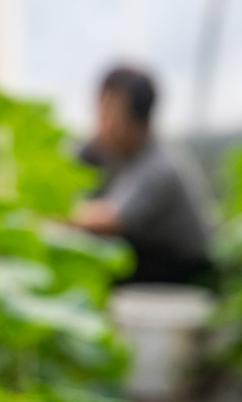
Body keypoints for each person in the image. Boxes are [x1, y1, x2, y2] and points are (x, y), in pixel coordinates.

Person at [72, 65, 214, 287]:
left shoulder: (160, 166)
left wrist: (37, 215)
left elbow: (107, 219)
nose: (101, 123)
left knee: (94, 263)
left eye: (110, 113)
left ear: (138, 121)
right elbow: (65, 164)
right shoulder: (109, 149)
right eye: (100, 109)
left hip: (182, 271)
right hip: (149, 259)